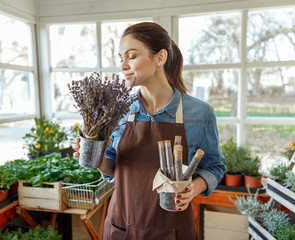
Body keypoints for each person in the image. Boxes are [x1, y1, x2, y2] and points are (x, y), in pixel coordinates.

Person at [73, 22, 225, 240]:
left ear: (160, 57)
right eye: (121, 58)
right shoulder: (117, 112)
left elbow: (214, 166)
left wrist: (194, 187)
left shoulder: (200, 114)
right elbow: (113, 170)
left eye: (131, 56)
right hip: (121, 228)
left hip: (173, 232)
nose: (123, 65)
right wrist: (96, 157)